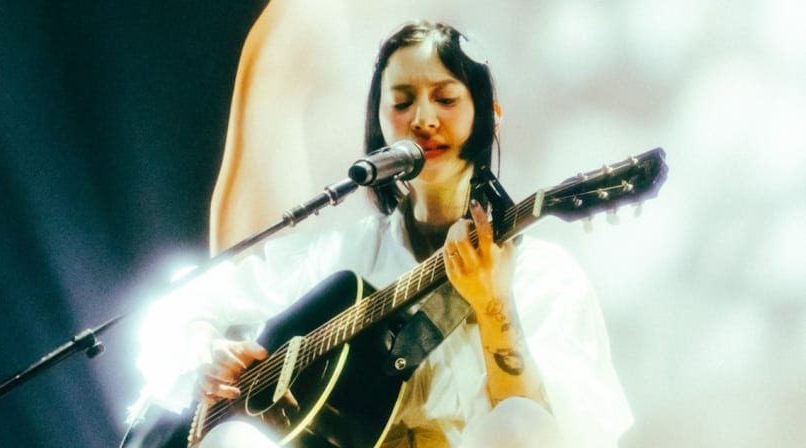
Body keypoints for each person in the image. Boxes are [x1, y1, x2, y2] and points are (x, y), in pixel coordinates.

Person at [132, 20, 632, 448]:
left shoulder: (545, 277)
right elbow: (204, 296)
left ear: (489, 114)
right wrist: (205, 348)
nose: (422, 119)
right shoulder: (343, 254)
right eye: (401, 101)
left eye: (445, 97)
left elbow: (540, 431)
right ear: (378, 119)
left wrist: (495, 305)